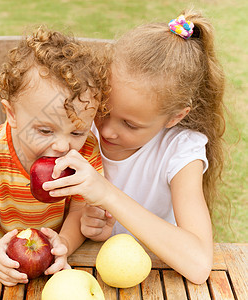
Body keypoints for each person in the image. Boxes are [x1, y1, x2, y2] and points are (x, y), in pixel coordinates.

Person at [43, 9, 226, 284]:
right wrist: (89, 228)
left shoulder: (180, 152)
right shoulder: (79, 127)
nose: (105, 129)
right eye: (104, 109)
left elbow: (199, 264)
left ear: (175, 117)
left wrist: (108, 195)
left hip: (154, 278)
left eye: (130, 124)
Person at [0, 26, 110, 286]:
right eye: (45, 130)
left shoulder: (85, 151)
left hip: (57, 266)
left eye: (77, 131)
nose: (62, 146)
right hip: (6, 266)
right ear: (11, 114)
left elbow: (81, 207)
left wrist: (64, 243)